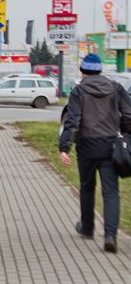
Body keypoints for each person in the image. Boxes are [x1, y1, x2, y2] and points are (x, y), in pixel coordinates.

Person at [59, 53, 131, 253]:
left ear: (83, 71)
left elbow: (73, 121)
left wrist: (65, 147)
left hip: (87, 147)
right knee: (111, 191)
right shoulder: (116, 88)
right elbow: (129, 115)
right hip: (111, 146)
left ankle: (88, 227)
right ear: (99, 70)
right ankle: (110, 235)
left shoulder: (79, 91)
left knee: (87, 187)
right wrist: (124, 133)